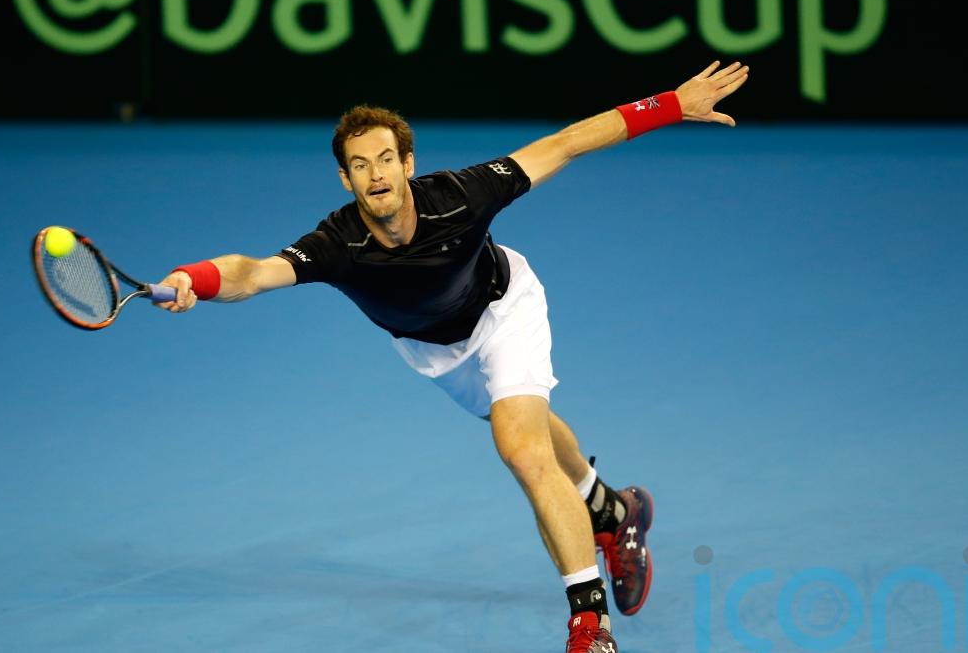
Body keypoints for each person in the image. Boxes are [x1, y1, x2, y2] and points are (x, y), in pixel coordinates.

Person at [156, 61, 748, 652]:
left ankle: (590, 626)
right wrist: (194, 278)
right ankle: (611, 510)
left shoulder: (462, 195)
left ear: (407, 164)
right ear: (345, 179)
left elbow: (565, 143)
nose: (376, 174)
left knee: (520, 448)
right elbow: (254, 273)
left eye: (385, 159)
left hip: (503, 308)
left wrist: (672, 104)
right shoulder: (337, 244)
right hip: (434, 351)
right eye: (360, 165)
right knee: (530, 426)